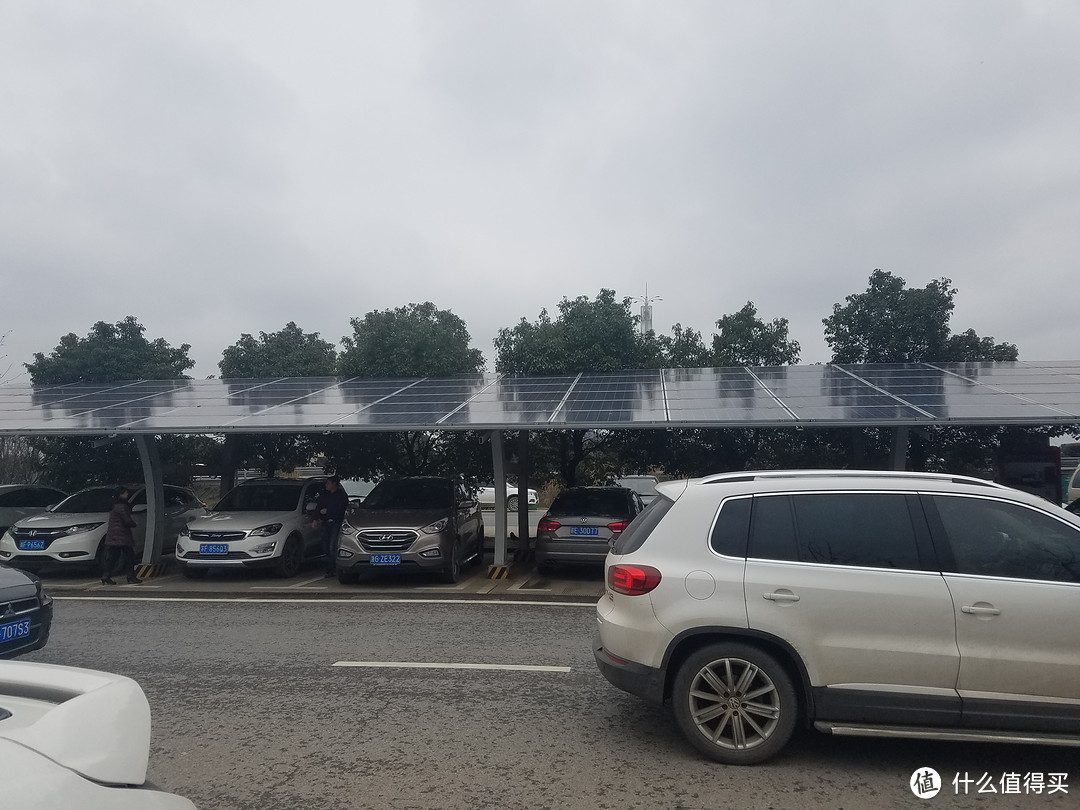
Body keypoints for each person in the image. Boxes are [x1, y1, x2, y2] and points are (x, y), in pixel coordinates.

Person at [103, 486, 141, 585]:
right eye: (125, 493)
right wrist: (134, 524)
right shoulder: (122, 506)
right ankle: (131, 576)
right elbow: (127, 520)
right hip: (122, 535)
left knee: (113, 557)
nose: (127, 494)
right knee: (129, 556)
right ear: (121, 494)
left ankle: (106, 575)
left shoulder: (113, 505)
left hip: (113, 535)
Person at [314, 476, 349, 577]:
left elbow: (341, 509)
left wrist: (328, 511)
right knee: (325, 546)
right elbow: (318, 507)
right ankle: (331, 564)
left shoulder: (341, 496)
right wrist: (315, 519)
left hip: (336, 522)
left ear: (334, 484)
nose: (326, 485)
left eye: (328, 483)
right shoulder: (324, 495)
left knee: (332, 546)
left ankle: (331, 569)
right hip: (326, 523)